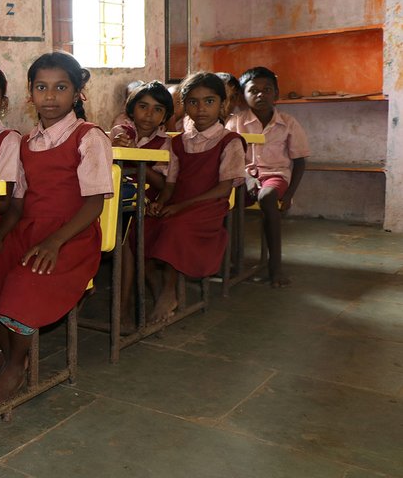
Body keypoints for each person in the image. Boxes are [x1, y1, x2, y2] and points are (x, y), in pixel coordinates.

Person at [0, 51, 113, 409]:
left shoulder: (89, 137)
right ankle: (3, 350)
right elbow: (17, 203)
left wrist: (55, 242)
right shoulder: (26, 142)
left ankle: (16, 367)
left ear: (78, 92)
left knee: (22, 290)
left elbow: (94, 203)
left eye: (61, 87)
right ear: (29, 94)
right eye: (41, 87)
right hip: (26, 233)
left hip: (71, 238)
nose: (50, 96)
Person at [144, 72, 246, 324]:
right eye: (193, 102)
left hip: (207, 208)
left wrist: (180, 206)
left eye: (209, 101)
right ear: (184, 105)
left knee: (175, 226)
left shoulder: (230, 142)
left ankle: (169, 292)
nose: (201, 109)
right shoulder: (177, 143)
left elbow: (224, 189)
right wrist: (162, 202)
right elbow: (170, 183)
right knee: (140, 227)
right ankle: (159, 288)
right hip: (178, 204)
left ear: (222, 104)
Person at [226, 66, 309, 287]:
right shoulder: (235, 122)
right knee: (221, 199)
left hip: (276, 175)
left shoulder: (288, 123)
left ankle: (276, 268)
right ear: (243, 96)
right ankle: (228, 261)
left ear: (276, 94)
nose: (261, 94)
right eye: (253, 90)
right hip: (241, 175)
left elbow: (299, 161)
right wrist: (246, 177)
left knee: (267, 196)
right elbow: (229, 158)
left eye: (267, 89)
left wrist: (290, 194)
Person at [110, 81, 174, 331]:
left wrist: (137, 156)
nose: (149, 114)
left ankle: (123, 311)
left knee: (126, 242)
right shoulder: (122, 132)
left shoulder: (165, 142)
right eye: (143, 107)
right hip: (118, 201)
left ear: (165, 117)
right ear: (131, 110)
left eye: (157, 110)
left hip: (147, 204)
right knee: (122, 237)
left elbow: (162, 181)